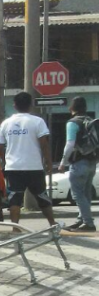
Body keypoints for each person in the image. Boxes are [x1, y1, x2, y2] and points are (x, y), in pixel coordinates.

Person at [0, 92, 58, 226]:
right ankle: (52, 223)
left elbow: (0, 147)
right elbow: (44, 144)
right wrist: (48, 162)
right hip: (34, 167)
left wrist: (5, 162)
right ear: (30, 105)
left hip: (13, 168)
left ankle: (15, 228)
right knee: (42, 196)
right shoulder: (38, 121)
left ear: (14, 105)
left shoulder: (6, 123)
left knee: (15, 199)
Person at [59, 96, 97, 232]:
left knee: (77, 194)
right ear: (85, 108)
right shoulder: (90, 121)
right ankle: (81, 220)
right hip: (92, 162)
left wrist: (63, 162)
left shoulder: (73, 123)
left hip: (79, 163)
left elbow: (69, 144)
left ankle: (88, 223)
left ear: (71, 108)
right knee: (86, 193)